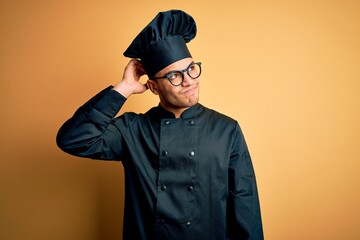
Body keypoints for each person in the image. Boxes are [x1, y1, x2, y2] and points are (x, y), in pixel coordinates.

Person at [56, 10, 263, 240]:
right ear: (153, 87)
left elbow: (245, 206)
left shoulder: (227, 130)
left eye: (191, 69)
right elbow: (72, 139)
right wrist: (123, 88)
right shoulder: (132, 130)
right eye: (175, 76)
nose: (188, 81)